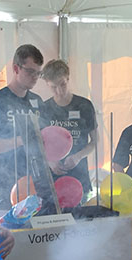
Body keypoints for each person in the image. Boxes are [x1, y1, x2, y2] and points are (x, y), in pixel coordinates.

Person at [0, 44, 46, 210]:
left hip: (38, 181)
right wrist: (23, 140)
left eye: (38, 73)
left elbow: (44, 139)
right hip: (8, 183)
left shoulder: (37, 102)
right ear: (16, 68)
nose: (35, 77)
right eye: (30, 72)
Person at [41, 59, 98, 199]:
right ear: (47, 85)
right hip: (52, 179)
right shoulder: (44, 109)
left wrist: (78, 156)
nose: (59, 91)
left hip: (79, 178)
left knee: (81, 219)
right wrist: (49, 161)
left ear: (68, 78)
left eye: (63, 84)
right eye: (54, 87)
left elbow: (95, 141)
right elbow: (37, 145)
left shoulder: (84, 105)